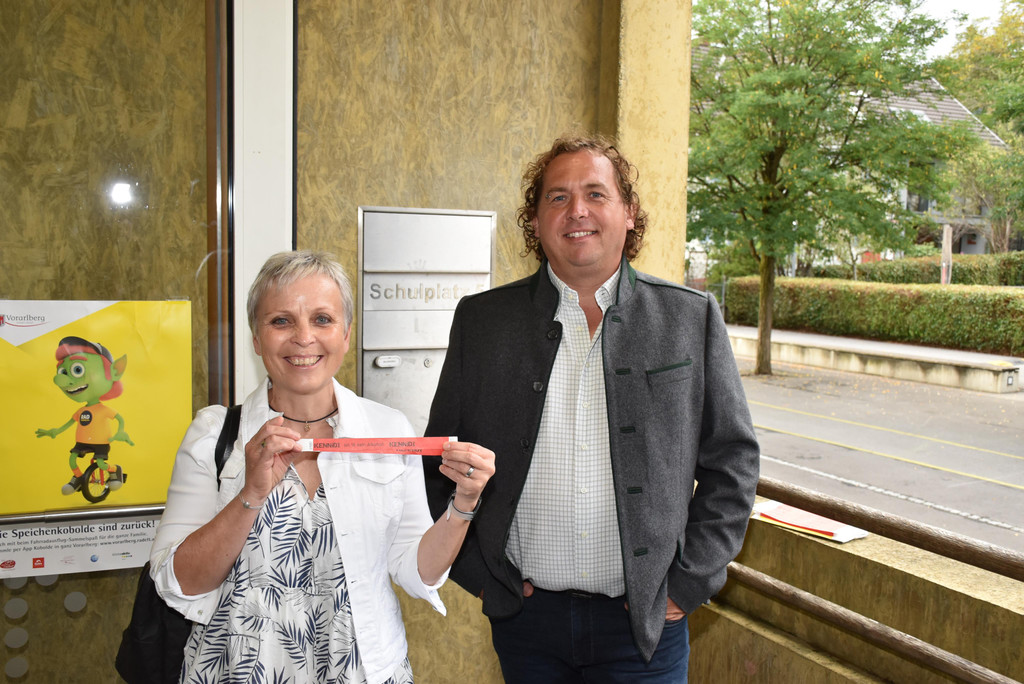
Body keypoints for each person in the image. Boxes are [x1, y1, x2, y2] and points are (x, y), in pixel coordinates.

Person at [423, 134, 760, 682]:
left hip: (646, 628)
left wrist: (688, 582)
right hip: (526, 623)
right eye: (557, 197)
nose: (576, 210)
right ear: (535, 222)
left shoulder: (689, 318)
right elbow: (438, 454)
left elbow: (733, 461)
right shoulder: (483, 322)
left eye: (596, 194)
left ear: (629, 213)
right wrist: (480, 576)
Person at [151, 250, 494, 684]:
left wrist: (463, 505)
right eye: (281, 321)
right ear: (256, 338)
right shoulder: (214, 435)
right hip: (238, 669)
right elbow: (180, 582)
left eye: (322, 320)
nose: (303, 338)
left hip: (364, 669)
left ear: (345, 334)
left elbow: (415, 570)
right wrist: (250, 494)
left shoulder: (388, 429)